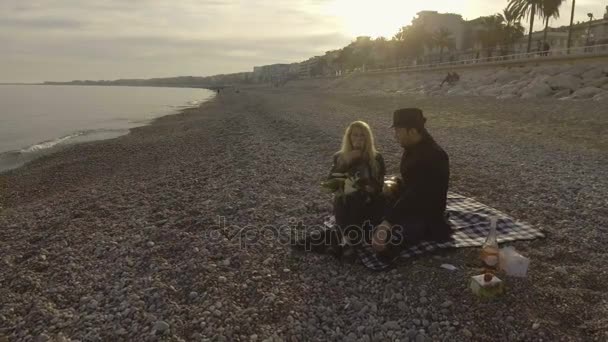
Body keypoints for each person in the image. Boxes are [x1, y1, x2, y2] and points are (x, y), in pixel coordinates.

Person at [371, 108, 453, 260]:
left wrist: (387, 222)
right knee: (370, 202)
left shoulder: (434, 156)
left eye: (398, 131)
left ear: (413, 131)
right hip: (410, 203)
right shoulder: (412, 146)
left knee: (391, 237)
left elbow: (416, 194)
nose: (395, 136)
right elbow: (411, 181)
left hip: (426, 213)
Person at [328, 121, 385, 260]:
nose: (358, 139)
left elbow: (379, 186)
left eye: (362, 136)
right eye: (355, 135)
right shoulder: (339, 156)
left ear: (368, 139)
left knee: (354, 196)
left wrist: (367, 187)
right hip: (346, 201)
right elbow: (331, 184)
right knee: (343, 196)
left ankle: (345, 241)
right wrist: (344, 163)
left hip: (368, 201)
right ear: (349, 137)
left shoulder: (376, 158)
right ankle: (349, 241)